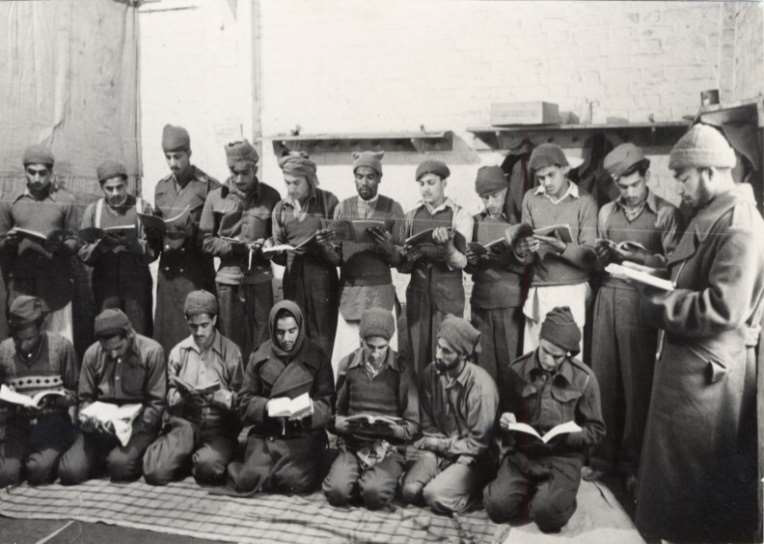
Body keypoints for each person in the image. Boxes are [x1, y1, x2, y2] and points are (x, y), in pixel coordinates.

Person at [635, 124, 764, 542]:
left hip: (706, 380)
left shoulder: (739, 221)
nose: (680, 187)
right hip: (691, 372)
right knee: (676, 489)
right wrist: (652, 274)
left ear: (709, 171)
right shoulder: (714, 211)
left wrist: (657, 304)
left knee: (692, 492)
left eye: (684, 176)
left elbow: (724, 306)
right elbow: (690, 274)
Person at [584, 143, 680, 492]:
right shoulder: (607, 212)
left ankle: (633, 463)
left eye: (634, 186)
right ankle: (600, 458)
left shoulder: (667, 214)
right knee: (603, 381)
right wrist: (600, 254)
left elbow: (676, 269)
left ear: (646, 177)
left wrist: (644, 259)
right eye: (622, 188)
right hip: (607, 299)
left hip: (642, 304)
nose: (628, 194)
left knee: (638, 386)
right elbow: (597, 265)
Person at [483, 306, 605, 533]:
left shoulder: (584, 379)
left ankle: (555, 497)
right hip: (523, 456)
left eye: (557, 356)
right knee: (495, 507)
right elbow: (506, 416)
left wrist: (570, 436)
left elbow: (596, 430)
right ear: (539, 340)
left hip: (562, 458)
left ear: (568, 353)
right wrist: (506, 421)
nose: (548, 360)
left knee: (547, 516)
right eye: (545, 351)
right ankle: (533, 491)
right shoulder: (517, 370)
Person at [227, 300, 334, 494]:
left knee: (295, 483)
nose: (287, 338)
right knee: (246, 482)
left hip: (302, 434)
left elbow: (327, 403)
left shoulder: (317, 356)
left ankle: (283, 470)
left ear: (300, 327)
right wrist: (267, 407)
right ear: (272, 330)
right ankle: (255, 467)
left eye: (292, 331)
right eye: (280, 332)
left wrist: (310, 409)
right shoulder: (259, 356)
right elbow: (244, 400)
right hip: (269, 433)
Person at [322, 308, 419, 509]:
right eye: (370, 346)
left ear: (389, 343)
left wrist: (396, 430)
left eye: (381, 347)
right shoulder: (348, 365)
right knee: (336, 493)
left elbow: (413, 424)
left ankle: (368, 483)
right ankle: (356, 480)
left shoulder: (402, 370)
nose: (375, 354)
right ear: (361, 341)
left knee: (374, 496)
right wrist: (338, 424)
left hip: (388, 450)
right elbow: (335, 412)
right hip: (353, 446)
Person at [400, 315, 498, 515]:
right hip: (441, 450)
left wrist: (438, 445)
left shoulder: (481, 388)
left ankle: (476, 494)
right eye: (438, 347)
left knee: (433, 495)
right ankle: (447, 480)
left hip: (472, 458)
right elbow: (427, 426)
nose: (438, 354)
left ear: (463, 355)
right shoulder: (431, 373)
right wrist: (437, 447)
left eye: (446, 351)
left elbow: (478, 445)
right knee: (409, 492)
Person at [143, 290, 243, 486]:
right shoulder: (178, 352)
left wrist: (226, 398)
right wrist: (178, 396)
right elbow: (169, 393)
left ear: (214, 320)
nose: (199, 333)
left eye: (204, 325)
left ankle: (197, 457)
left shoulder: (231, 352)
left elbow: (243, 399)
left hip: (218, 428)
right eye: (193, 326)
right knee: (154, 472)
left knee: (209, 470)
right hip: (185, 424)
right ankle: (183, 454)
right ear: (186, 321)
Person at [58, 309, 166, 484]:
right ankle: (102, 457)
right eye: (107, 350)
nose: (113, 354)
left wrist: (130, 426)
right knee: (69, 471)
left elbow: (156, 403)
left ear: (129, 334)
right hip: (100, 428)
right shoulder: (92, 354)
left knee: (119, 467)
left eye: (118, 348)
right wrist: (89, 419)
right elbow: (84, 398)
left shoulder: (152, 352)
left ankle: (121, 457)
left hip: (136, 427)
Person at [200, 140, 280, 358]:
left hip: (260, 280)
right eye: (234, 172)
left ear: (255, 168)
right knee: (229, 342)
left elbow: (278, 236)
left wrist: (268, 244)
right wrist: (233, 248)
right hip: (228, 281)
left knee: (262, 340)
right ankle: (233, 389)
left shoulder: (271, 197)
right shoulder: (216, 197)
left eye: (246, 173)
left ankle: (258, 387)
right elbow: (205, 240)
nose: (239, 179)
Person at [329, 151, 405, 378]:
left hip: (380, 291)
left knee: (380, 351)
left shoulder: (393, 208)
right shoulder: (343, 208)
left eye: (370, 176)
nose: (364, 182)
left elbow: (401, 258)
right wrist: (326, 245)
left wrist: (389, 248)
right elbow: (336, 257)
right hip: (350, 291)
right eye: (359, 176)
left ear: (379, 178)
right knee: (348, 354)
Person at [519, 143, 598, 353]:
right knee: (535, 355)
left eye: (551, 175)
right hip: (539, 289)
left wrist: (562, 247)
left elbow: (590, 256)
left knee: (568, 356)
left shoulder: (585, 201)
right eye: (541, 178)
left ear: (565, 169)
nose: (546, 183)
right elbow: (524, 257)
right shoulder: (530, 198)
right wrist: (525, 248)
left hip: (573, 289)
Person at [399, 160, 472, 377]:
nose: (426, 188)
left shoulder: (459, 214)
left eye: (431, 182)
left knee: (448, 354)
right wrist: (410, 256)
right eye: (421, 184)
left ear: (444, 183)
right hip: (418, 296)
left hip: (449, 297)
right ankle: (422, 410)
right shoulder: (411, 216)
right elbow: (402, 265)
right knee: (419, 358)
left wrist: (447, 247)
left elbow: (462, 262)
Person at [0, 144, 79, 342]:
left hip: (55, 286)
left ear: (51, 173)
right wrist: (8, 242)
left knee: (57, 343)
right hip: (21, 286)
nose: (36, 179)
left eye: (42, 173)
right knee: (24, 342)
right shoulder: (9, 201)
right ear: (24, 171)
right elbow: (1, 243)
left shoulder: (66, 200)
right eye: (31, 172)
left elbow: (76, 241)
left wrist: (61, 245)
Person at [153, 124, 220, 354]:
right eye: (168, 157)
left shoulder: (209, 186)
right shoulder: (161, 188)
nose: (173, 163)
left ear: (189, 154)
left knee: (197, 335)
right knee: (168, 334)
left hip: (196, 273)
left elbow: (218, 235)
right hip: (168, 276)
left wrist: (195, 233)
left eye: (178, 156)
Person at [0, 296, 78, 486]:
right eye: (19, 339)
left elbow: (76, 393)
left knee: (37, 472)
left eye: (29, 338)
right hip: (17, 423)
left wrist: (55, 400)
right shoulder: (4, 350)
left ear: (41, 328)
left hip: (52, 422)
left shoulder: (61, 347)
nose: (24, 345)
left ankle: (51, 455)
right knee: (6, 476)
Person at [465, 165, 532, 386]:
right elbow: (469, 266)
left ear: (506, 191)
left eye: (495, 196)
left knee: (510, 366)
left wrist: (513, 256)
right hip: (481, 304)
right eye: (485, 198)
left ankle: (508, 418)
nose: (490, 203)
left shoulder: (518, 222)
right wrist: (471, 259)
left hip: (510, 304)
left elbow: (528, 265)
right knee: (484, 367)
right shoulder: (474, 222)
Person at [269, 152, 340, 360]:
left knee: (323, 337)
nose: (291, 189)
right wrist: (276, 250)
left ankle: (323, 387)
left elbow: (339, 251)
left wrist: (324, 245)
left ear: (310, 180)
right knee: (296, 332)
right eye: (287, 183)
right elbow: (277, 248)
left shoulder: (328, 202)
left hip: (323, 281)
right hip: (294, 279)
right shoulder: (281, 208)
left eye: (296, 183)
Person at [78, 160, 160, 336]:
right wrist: (99, 247)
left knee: (138, 333)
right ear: (102, 188)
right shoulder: (94, 211)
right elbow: (83, 253)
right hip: (105, 285)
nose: (115, 193)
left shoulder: (142, 207)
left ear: (127, 184)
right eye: (110, 189)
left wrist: (136, 245)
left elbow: (154, 251)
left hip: (136, 285)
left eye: (119, 187)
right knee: (108, 332)